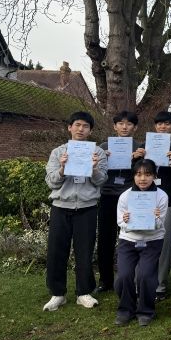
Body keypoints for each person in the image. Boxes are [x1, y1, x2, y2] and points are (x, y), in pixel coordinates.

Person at [43, 111, 108, 311]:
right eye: (77, 125)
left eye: (85, 126)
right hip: (61, 207)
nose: (81, 129)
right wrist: (62, 168)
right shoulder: (58, 152)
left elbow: (102, 180)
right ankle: (57, 293)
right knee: (56, 251)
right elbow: (51, 182)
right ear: (69, 127)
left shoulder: (98, 153)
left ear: (90, 131)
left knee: (85, 251)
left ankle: (83, 293)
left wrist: (94, 168)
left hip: (87, 208)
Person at [137, 111, 171, 301]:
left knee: (165, 244)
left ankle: (160, 285)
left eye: (167, 124)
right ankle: (140, 281)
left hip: (168, 201)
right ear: (155, 126)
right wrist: (137, 159)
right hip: (144, 201)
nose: (163, 127)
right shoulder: (144, 146)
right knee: (142, 241)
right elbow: (137, 175)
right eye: (159, 124)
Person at [114, 159, 168, 326]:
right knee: (124, 275)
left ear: (154, 176)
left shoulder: (161, 196)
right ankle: (126, 309)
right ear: (134, 176)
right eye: (138, 174)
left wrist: (156, 218)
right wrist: (126, 220)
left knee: (145, 275)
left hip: (152, 241)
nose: (142, 178)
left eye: (147, 174)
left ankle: (146, 311)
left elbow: (159, 225)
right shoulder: (125, 196)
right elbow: (120, 222)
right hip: (128, 240)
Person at [96, 110, 143, 293]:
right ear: (114, 126)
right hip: (107, 195)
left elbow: (145, 174)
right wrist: (102, 158)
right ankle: (105, 280)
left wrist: (139, 159)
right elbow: (96, 172)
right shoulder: (103, 146)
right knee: (105, 239)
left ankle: (132, 278)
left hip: (131, 196)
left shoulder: (140, 147)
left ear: (135, 127)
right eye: (121, 124)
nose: (125, 127)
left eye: (129, 124)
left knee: (132, 236)